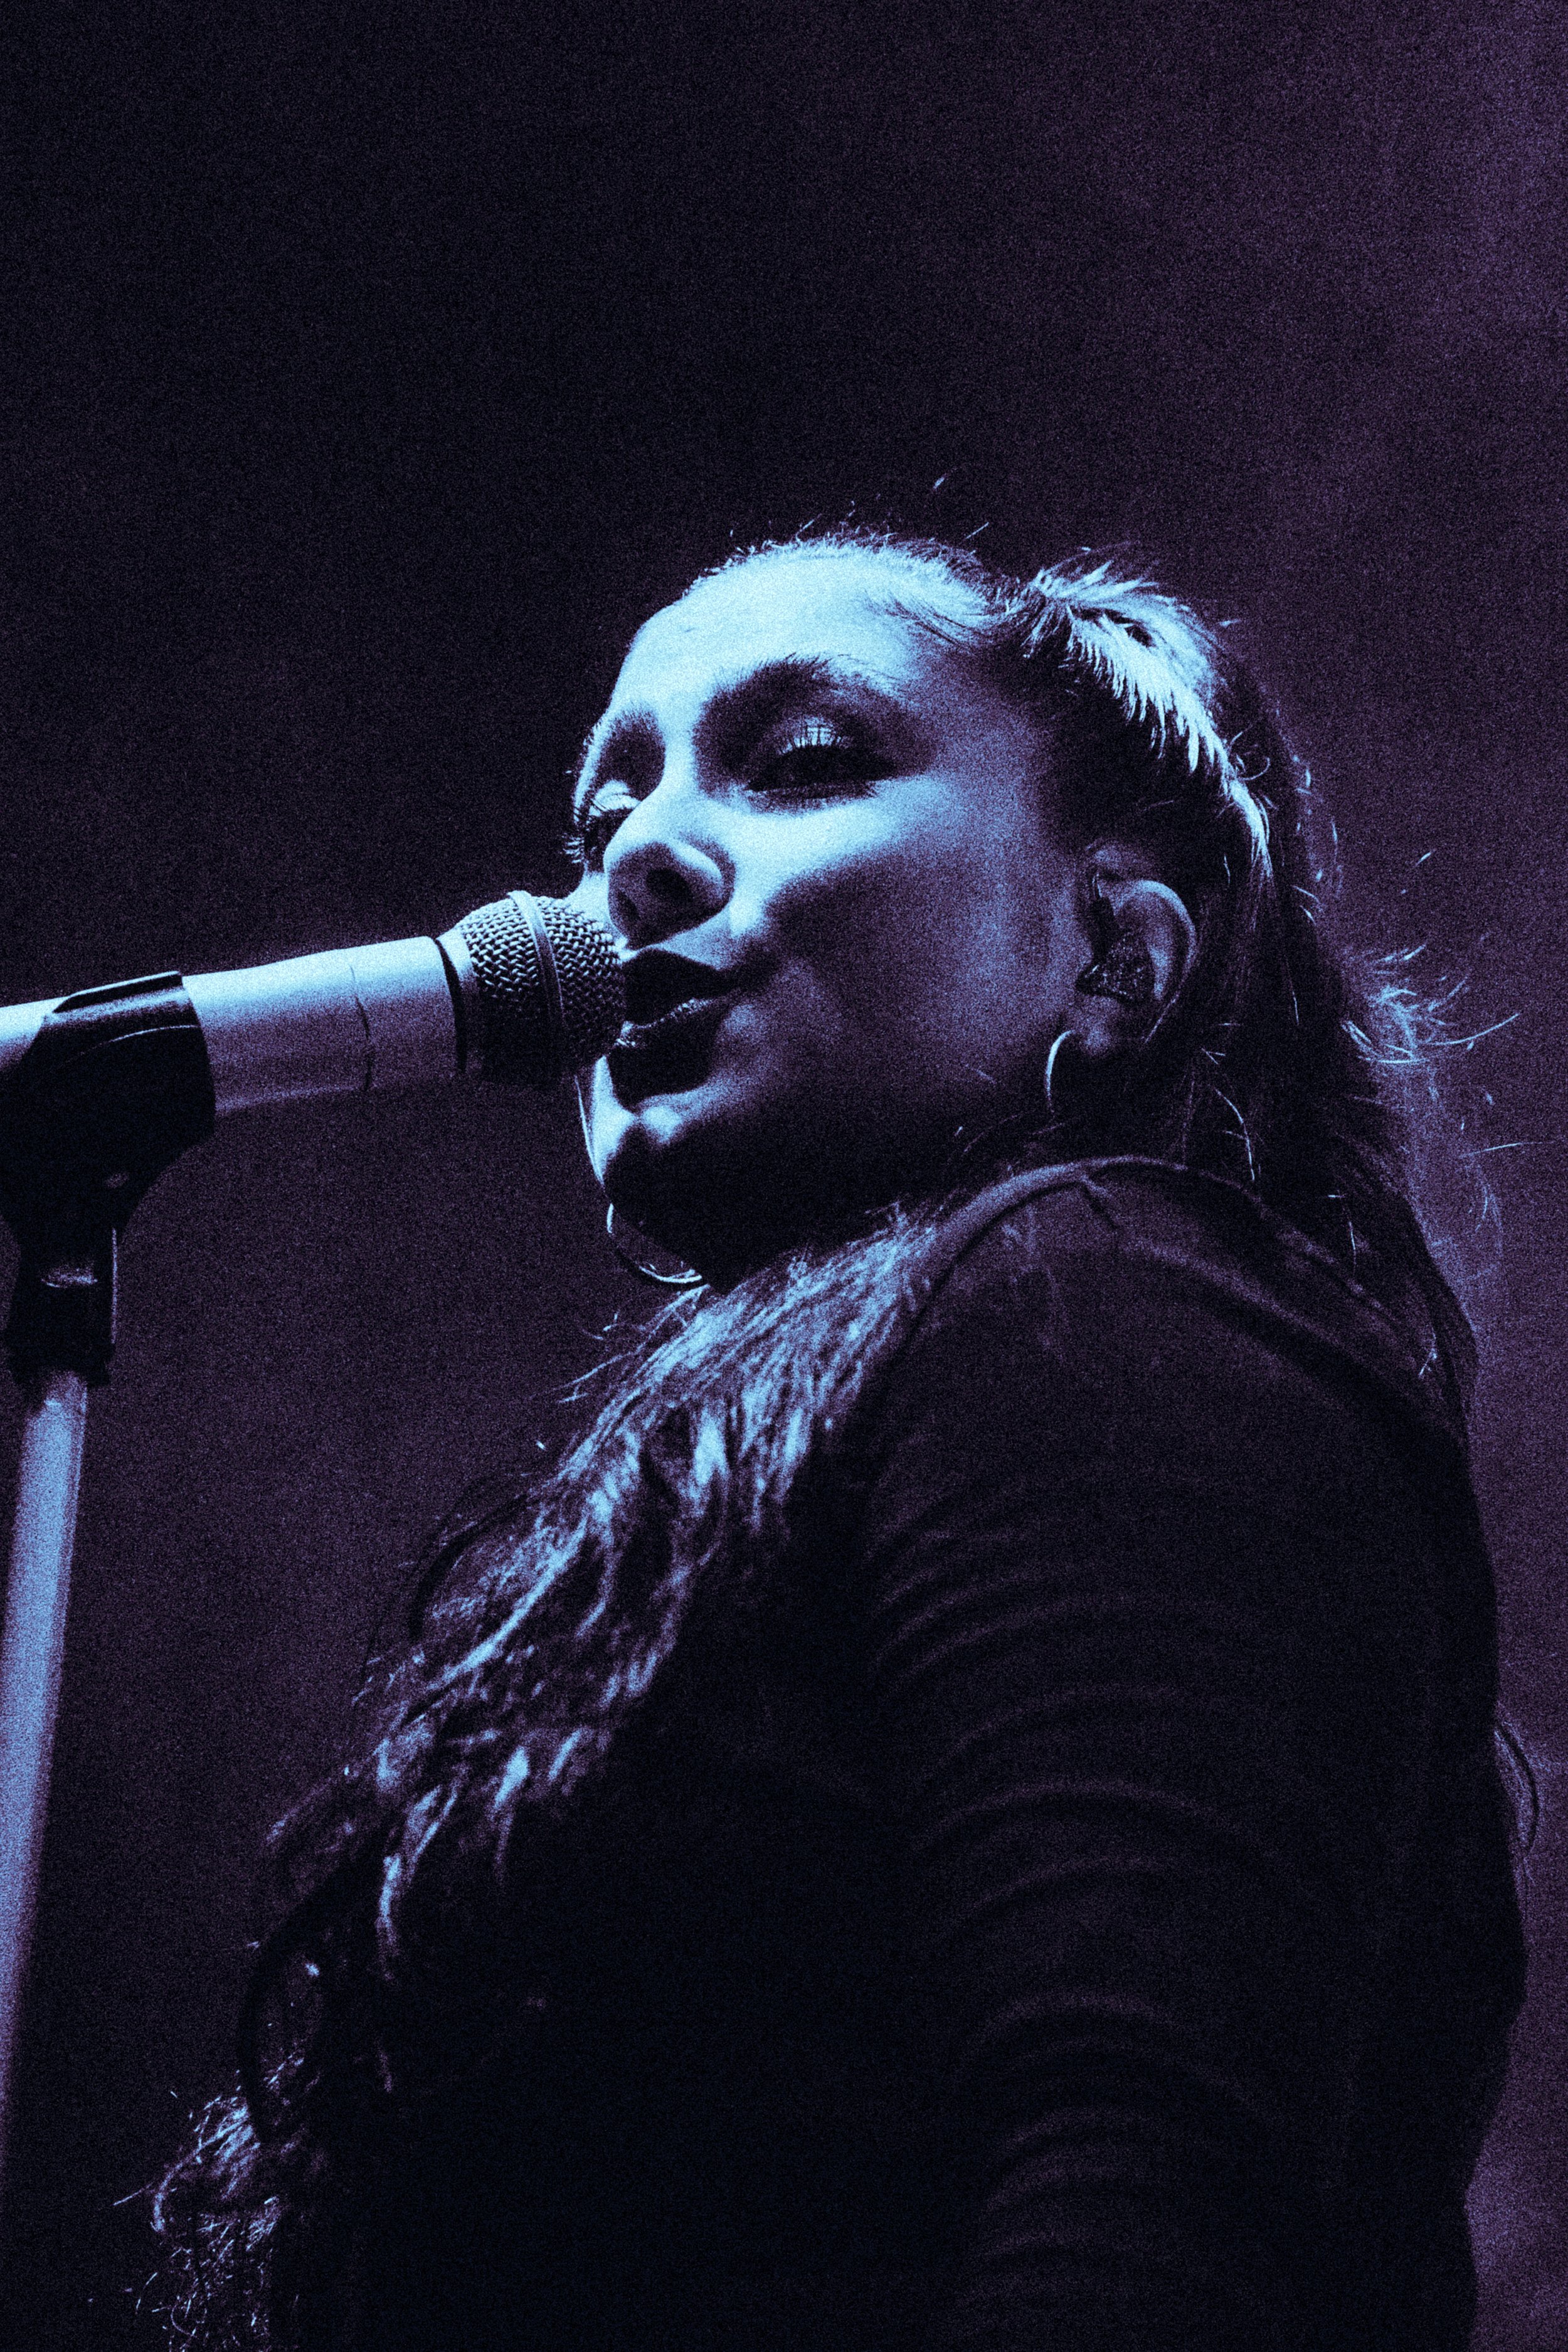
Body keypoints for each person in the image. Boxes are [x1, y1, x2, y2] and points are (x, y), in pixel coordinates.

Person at [154, 529, 1529, 2351]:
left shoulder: (1102, 1313)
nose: (631, 860)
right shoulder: (921, 1371)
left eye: (802, 764)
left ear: (1115, 956)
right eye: (599, 817)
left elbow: (1145, 2211)